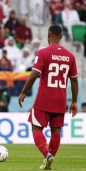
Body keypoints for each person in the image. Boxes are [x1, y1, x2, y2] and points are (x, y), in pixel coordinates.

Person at [18, 25, 78, 170]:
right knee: (56, 130)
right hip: (60, 99)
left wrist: (24, 91)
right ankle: (49, 159)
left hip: (44, 98)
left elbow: (33, 74)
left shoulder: (43, 52)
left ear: (49, 34)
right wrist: (74, 101)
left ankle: (46, 155)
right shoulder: (70, 56)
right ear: (61, 36)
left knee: (36, 127)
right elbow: (74, 80)